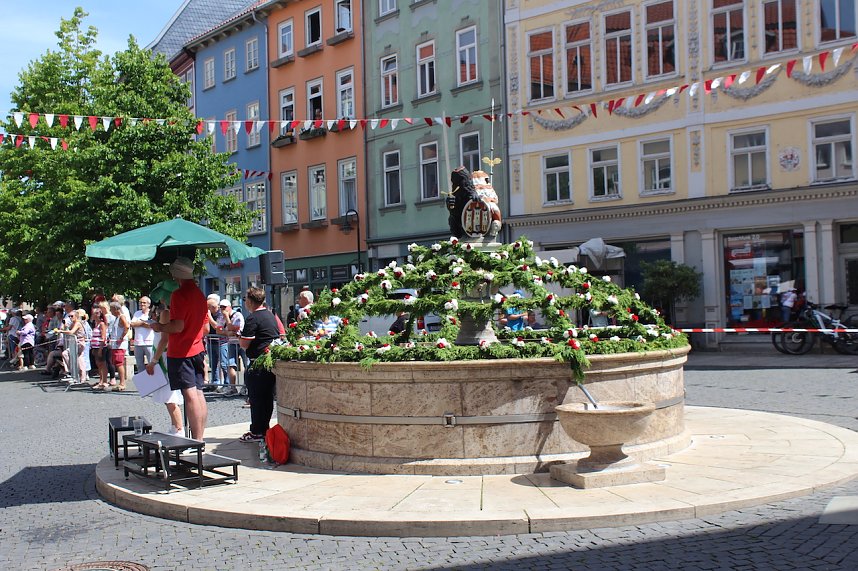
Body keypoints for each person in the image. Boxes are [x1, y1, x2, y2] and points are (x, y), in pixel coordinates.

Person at [150, 257, 209, 440]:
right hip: (197, 348)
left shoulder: (179, 295)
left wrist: (159, 327)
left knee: (190, 394)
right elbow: (205, 328)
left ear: (176, 275)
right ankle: (200, 437)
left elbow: (177, 327)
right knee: (198, 393)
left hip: (182, 351)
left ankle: (197, 440)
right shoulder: (200, 294)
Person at [238, 286, 281, 443]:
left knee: (256, 399)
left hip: (258, 363)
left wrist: (239, 338)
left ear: (250, 301)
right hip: (269, 363)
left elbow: (244, 343)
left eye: (245, 299)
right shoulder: (270, 315)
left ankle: (257, 431)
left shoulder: (253, 318)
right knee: (267, 398)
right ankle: (264, 429)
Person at [146, 280, 185, 436]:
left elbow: (164, 339)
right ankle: (175, 426)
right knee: (168, 394)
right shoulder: (172, 312)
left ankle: (179, 428)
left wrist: (154, 361)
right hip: (168, 354)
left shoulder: (166, 313)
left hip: (163, 357)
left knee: (169, 395)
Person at [216, 298, 244, 395]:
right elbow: (218, 330)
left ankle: (246, 387)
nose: (222, 309)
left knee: (247, 365)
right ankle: (232, 388)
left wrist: (227, 317)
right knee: (231, 365)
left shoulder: (237, 315)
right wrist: (227, 332)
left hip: (241, 342)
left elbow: (234, 328)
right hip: (231, 343)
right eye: (221, 307)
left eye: (224, 307)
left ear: (229, 307)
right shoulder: (221, 317)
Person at [107, 301, 130, 391]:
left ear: (116, 309)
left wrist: (121, 337)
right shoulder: (116, 318)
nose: (111, 311)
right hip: (115, 344)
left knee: (119, 363)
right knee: (116, 363)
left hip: (120, 345)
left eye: (111, 309)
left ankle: (122, 383)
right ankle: (121, 382)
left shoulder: (122, 317)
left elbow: (127, 326)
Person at [130, 296, 155, 372]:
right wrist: (143, 322)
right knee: (139, 365)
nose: (141, 304)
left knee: (151, 363)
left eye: (144, 302)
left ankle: (153, 381)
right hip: (138, 343)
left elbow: (150, 326)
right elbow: (132, 324)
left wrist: (140, 323)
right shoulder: (137, 313)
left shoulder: (152, 313)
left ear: (148, 304)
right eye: (140, 302)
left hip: (149, 342)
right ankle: (143, 381)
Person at [89, 304, 109, 390]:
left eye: (96, 313)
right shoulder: (95, 324)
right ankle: (101, 380)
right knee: (98, 364)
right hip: (95, 347)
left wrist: (100, 349)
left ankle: (104, 381)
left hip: (101, 347)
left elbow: (103, 337)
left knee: (102, 364)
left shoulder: (102, 324)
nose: (94, 315)